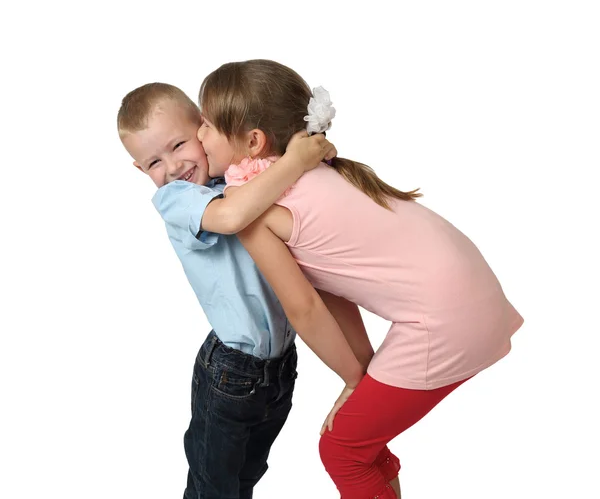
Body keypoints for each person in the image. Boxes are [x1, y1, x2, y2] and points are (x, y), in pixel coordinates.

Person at [196, 59, 524, 499]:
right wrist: (359, 375)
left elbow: (304, 308)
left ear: (253, 142)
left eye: (206, 125)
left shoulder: (255, 208)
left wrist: (355, 380)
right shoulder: (315, 171)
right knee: (358, 443)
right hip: (473, 295)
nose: (199, 136)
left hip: (445, 321)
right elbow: (334, 288)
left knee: (342, 448)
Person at [117, 82, 336, 499]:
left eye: (179, 144)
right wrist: (294, 162)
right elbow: (233, 215)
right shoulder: (176, 199)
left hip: (279, 364)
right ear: (140, 170)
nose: (172, 165)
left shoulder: (235, 175)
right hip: (231, 372)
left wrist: (309, 154)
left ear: (204, 128)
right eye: (153, 162)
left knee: (246, 476)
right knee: (212, 488)